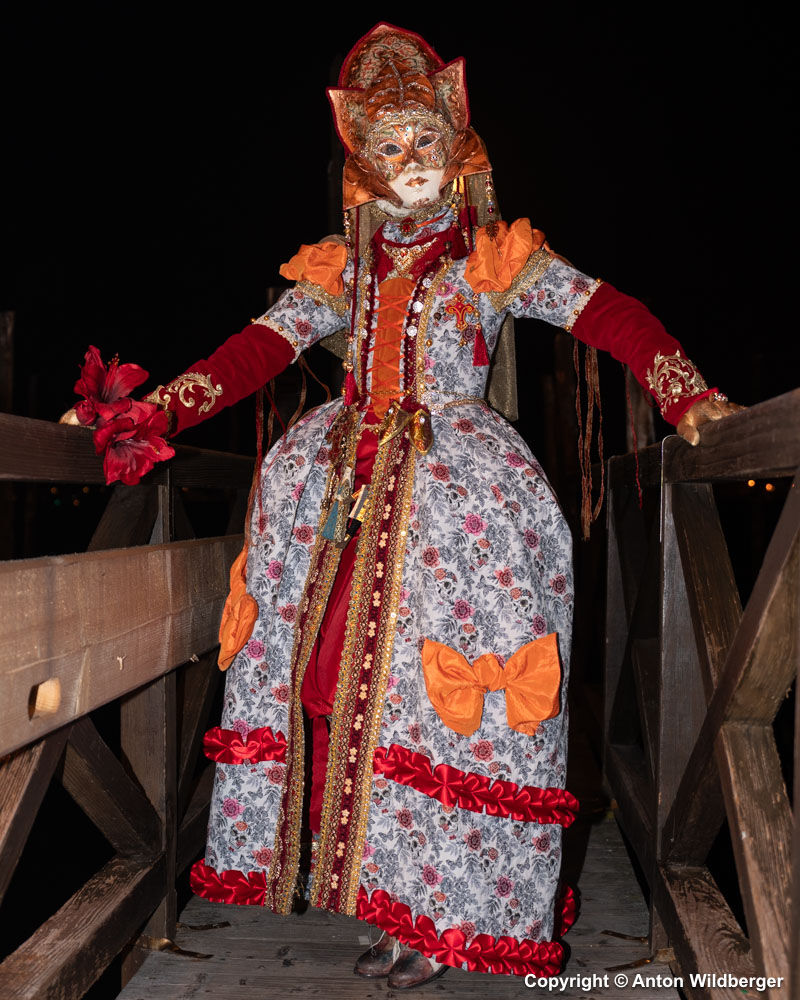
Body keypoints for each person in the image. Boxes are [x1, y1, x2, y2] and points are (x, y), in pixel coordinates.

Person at [74, 23, 741, 988]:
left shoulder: (492, 256)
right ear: (361, 162)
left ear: (456, 139)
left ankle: (454, 921)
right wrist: (144, 415)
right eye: (385, 146)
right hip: (339, 500)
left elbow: (609, 313)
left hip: (459, 504)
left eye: (421, 138)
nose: (406, 159)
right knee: (342, 695)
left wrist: (688, 395)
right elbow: (251, 353)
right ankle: (385, 894)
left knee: (448, 704)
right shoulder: (343, 265)